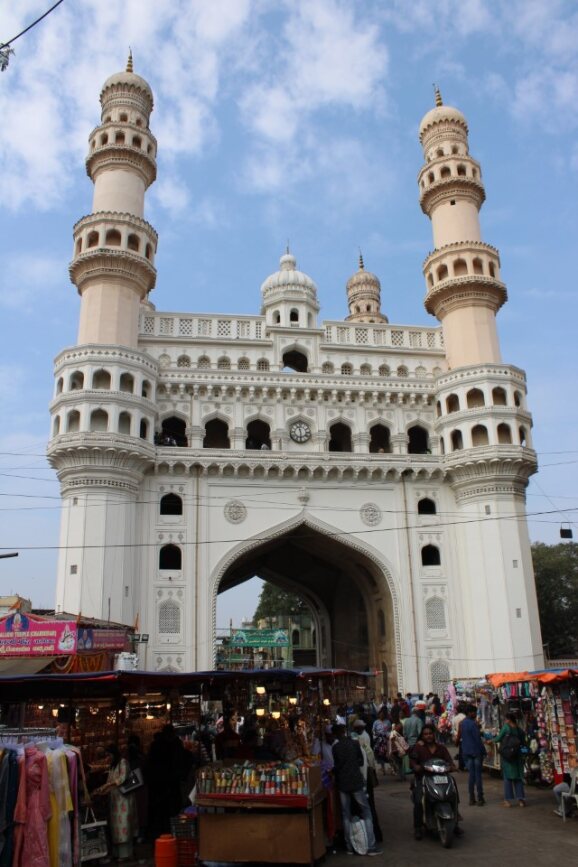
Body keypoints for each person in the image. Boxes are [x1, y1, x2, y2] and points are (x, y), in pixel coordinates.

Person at [331, 724, 382, 856]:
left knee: (345, 814)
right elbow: (360, 762)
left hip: (343, 783)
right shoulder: (354, 744)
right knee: (366, 812)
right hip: (356, 782)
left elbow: (337, 765)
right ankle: (371, 846)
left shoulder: (335, 747)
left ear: (335, 734)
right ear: (344, 731)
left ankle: (349, 847)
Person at [409, 724, 461, 841]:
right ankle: (417, 827)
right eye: (426, 734)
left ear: (434, 735)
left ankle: (455, 819)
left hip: (441, 777)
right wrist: (416, 766)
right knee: (419, 801)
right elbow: (412, 762)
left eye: (430, 734)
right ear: (422, 736)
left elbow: (449, 761)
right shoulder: (418, 747)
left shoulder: (441, 748)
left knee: (452, 788)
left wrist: (452, 766)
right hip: (423, 778)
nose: (428, 736)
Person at [93, 744, 136, 861]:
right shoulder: (113, 766)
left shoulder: (123, 762)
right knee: (116, 827)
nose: (108, 757)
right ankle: (117, 853)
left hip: (123, 799)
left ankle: (125, 854)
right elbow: (109, 781)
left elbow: (122, 778)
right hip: (115, 800)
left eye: (109, 755)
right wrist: (101, 789)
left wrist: (107, 786)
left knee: (124, 826)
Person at [494, 712, 526, 807]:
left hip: (508, 756)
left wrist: (490, 740)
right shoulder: (520, 730)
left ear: (508, 720)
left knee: (507, 778)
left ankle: (507, 801)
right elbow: (523, 743)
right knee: (518, 778)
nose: (505, 721)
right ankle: (521, 800)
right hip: (518, 756)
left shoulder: (506, 728)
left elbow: (498, 739)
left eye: (505, 719)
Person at [458, 705, 486, 805]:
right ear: (469, 712)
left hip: (466, 752)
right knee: (477, 776)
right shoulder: (473, 724)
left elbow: (460, 737)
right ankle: (480, 797)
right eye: (474, 712)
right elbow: (477, 739)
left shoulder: (462, 723)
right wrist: (484, 751)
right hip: (476, 752)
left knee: (471, 776)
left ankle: (471, 798)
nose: (475, 714)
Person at [372, 709, 391, 775]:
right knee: (380, 755)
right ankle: (383, 769)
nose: (382, 716)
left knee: (388, 754)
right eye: (380, 714)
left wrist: (388, 735)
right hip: (379, 741)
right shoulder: (376, 722)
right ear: (379, 715)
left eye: (383, 714)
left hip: (386, 740)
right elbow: (373, 731)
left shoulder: (388, 722)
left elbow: (390, 729)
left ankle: (392, 768)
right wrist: (376, 735)